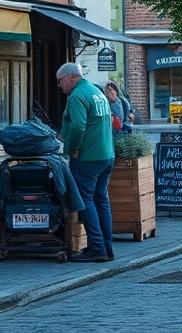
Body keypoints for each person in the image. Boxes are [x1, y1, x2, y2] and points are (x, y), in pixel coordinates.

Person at [57, 63, 114, 262]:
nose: (59, 85)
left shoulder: (77, 96)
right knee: (101, 200)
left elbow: (78, 126)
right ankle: (107, 247)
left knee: (86, 201)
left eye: (60, 80)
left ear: (72, 77)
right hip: (106, 155)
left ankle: (97, 248)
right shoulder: (96, 92)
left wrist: (72, 148)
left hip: (88, 158)